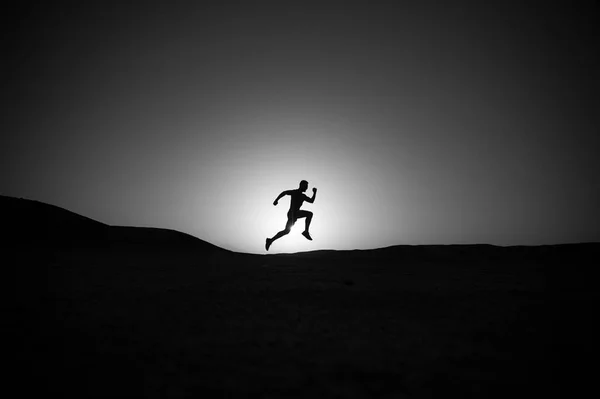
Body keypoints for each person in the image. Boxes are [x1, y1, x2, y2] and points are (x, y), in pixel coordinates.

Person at [266, 180, 317, 251]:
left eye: (307, 187)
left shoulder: (303, 196)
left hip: (295, 214)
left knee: (286, 231)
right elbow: (284, 192)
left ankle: (270, 240)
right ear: (301, 185)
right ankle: (306, 232)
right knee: (309, 214)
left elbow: (311, 201)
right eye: (305, 186)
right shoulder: (294, 192)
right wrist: (276, 200)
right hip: (292, 214)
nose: (306, 188)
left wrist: (314, 193)